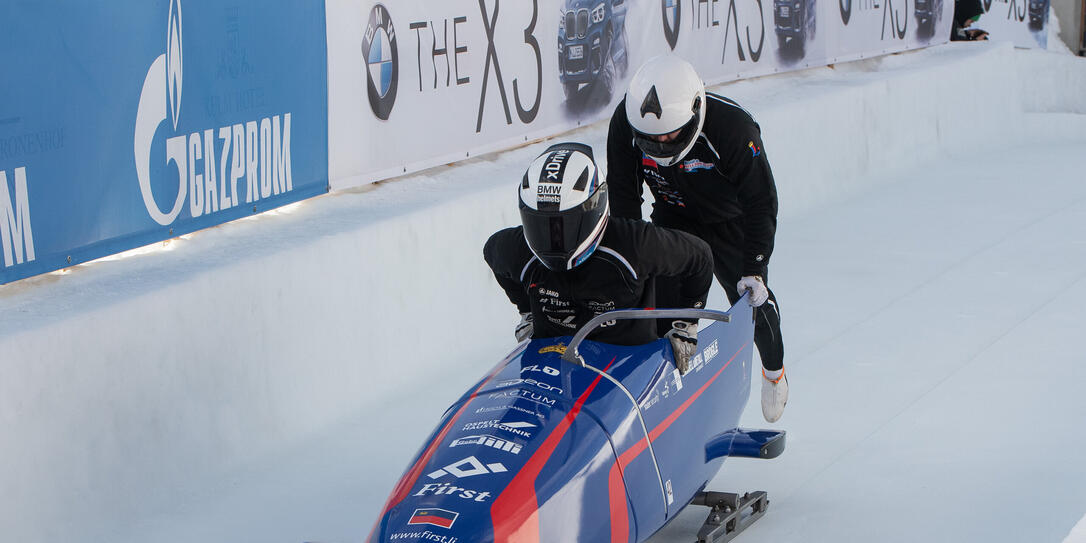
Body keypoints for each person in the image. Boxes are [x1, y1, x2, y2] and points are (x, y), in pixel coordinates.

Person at [605, 55, 788, 422]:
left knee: (753, 302)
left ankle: (775, 371)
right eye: (650, 141)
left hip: (729, 221)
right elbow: (625, 200)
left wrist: (755, 266)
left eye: (669, 137)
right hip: (675, 217)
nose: (659, 146)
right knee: (658, 308)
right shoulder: (625, 125)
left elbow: (762, 201)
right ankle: (659, 400)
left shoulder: (733, 129)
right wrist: (632, 260)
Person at [483, 142, 715, 373]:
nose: (555, 239)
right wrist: (527, 312)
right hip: (552, 363)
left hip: (628, 366)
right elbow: (492, 253)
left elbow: (699, 257)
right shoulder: (517, 249)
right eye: (542, 225)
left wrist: (685, 323)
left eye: (566, 224)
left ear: (594, 206)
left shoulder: (634, 243)